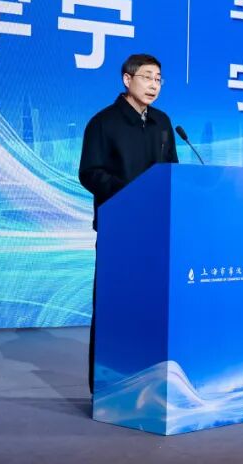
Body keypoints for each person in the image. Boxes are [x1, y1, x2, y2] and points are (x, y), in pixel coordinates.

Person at [78, 53, 179, 399]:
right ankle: (106, 389)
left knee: (152, 306)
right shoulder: (103, 123)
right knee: (114, 306)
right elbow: (89, 172)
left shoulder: (163, 123)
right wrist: (130, 193)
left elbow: (172, 172)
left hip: (157, 231)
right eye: (147, 77)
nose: (154, 85)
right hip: (119, 230)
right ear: (127, 79)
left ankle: (151, 387)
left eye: (158, 79)